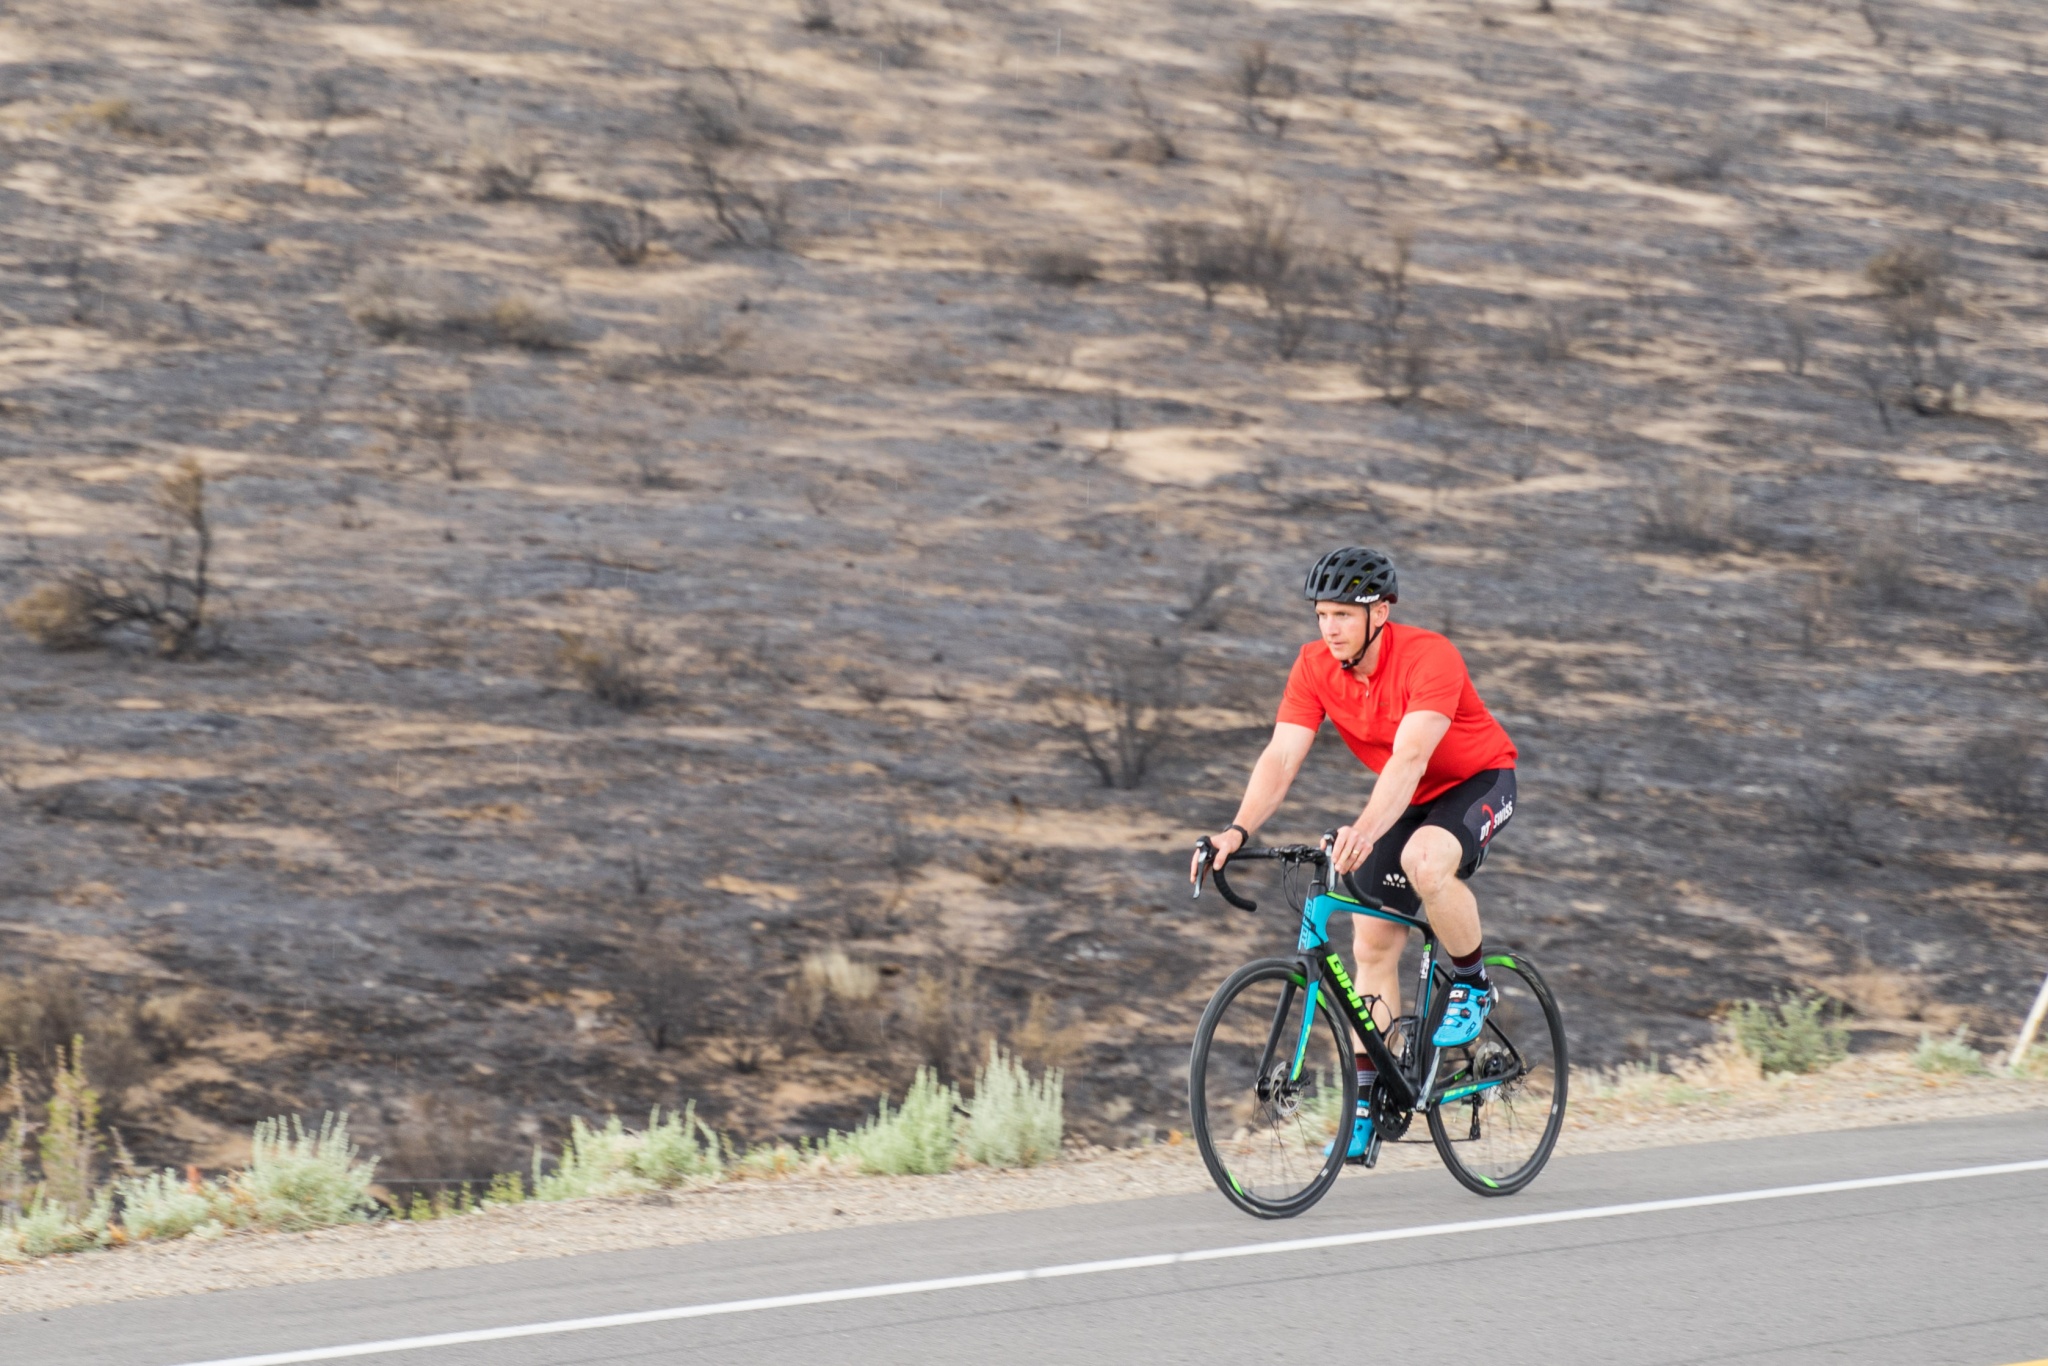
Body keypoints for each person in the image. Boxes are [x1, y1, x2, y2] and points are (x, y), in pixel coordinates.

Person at [1191, 546, 1518, 1158]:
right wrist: (1236, 831)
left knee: (1425, 862)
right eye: (1321, 614)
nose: (1330, 627)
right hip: (1403, 797)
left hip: (1474, 782)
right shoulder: (1313, 667)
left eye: (1343, 614)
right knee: (1370, 942)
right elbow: (1281, 757)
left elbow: (1411, 757)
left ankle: (1472, 983)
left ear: (1380, 613)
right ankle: (1371, 1099)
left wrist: (1365, 829)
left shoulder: (1429, 656)